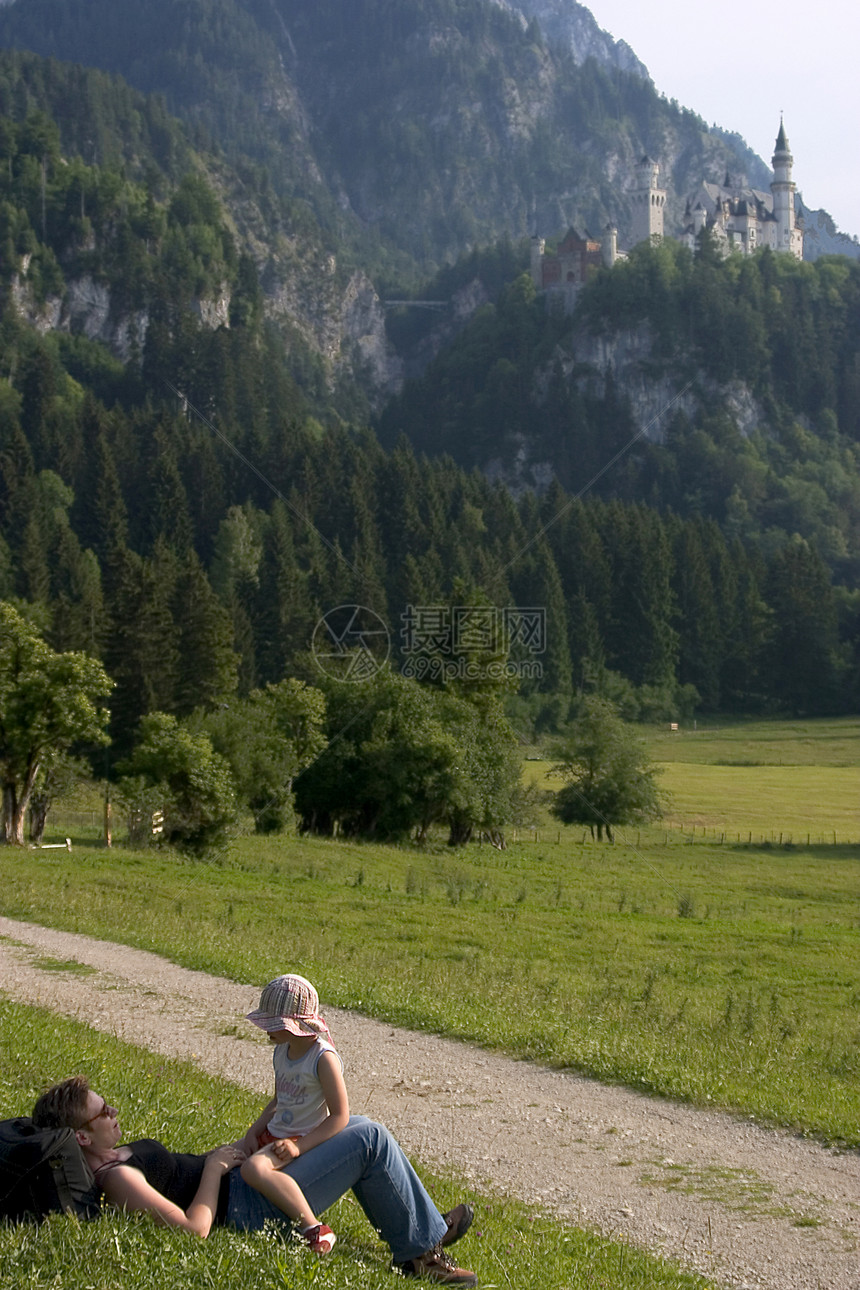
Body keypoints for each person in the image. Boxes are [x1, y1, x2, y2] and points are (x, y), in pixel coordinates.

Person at [31, 1074, 478, 1285]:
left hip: (243, 1182)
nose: (113, 1112)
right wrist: (212, 1169)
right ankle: (422, 1254)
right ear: (80, 1136)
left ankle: (419, 1229)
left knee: (355, 1123)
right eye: (102, 1112)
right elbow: (193, 1231)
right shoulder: (116, 1178)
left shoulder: (112, 1157)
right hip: (247, 1207)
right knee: (369, 1140)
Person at [238, 973, 348, 1254]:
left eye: (273, 1024)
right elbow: (279, 1100)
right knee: (222, 1156)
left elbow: (340, 1116)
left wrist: (298, 1147)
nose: (267, 1030)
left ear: (296, 1025)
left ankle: (313, 1228)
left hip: (299, 1139)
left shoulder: (322, 1058)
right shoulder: (281, 1051)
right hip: (275, 1133)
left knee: (253, 1168)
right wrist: (253, 1132)